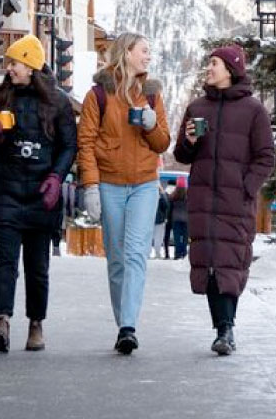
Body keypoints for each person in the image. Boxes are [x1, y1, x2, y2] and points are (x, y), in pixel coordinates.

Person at [0, 34, 77, 353]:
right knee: (4, 262)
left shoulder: (58, 102)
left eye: (15, 63)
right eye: (9, 63)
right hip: (6, 192)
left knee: (37, 265)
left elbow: (69, 145)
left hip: (40, 196)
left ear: (32, 65)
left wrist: (56, 177)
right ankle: (2, 322)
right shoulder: (2, 97)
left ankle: (36, 324)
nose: (9, 69)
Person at [174, 43, 275, 357]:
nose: (209, 68)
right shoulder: (197, 108)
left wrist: (247, 187)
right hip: (204, 199)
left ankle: (227, 328)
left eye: (215, 63)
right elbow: (181, 154)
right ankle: (222, 329)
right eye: (209, 63)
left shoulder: (254, 110)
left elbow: (266, 157)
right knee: (209, 265)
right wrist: (190, 141)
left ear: (231, 69)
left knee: (230, 263)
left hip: (235, 201)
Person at [76, 31, 171, 355]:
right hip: (110, 184)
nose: (148, 56)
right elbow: (85, 143)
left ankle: (128, 326)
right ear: (127, 52)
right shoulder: (97, 96)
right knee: (116, 259)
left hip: (144, 183)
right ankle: (123, 325)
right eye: (144, 50)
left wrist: (149, 124)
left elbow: (162, 143)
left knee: (134, 255)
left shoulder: (153, 95)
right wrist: (90, 187)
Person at [168, 179, 190, 259]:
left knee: (177, 238)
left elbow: (170, 208)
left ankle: (177, 253)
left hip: (176, 219)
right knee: (185, 237)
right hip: (186, 219)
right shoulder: (188, 195)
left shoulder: (174, 195)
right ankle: (183, 252)